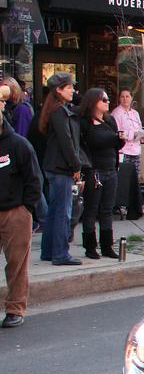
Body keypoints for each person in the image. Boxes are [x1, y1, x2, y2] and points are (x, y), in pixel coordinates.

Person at [0, 82, 43, 328]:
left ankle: (15, 309)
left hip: (15, 212)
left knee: (16, 265)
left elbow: (34, 180)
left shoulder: (18, 144)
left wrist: (26, 209)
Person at [39, 72, 83, 266]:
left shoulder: (56, 109)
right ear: (58, 90)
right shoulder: (59, 111)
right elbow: (66, 141)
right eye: (69, 87)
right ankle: (60, 254)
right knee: (62, 212)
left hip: (55, 167)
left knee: (54, 210)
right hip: (60, 168)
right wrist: (76, 165)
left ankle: (49, 251)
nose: (73, 90)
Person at [78, 88, 124, 260]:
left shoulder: (110, 121)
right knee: (92, 210)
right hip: (94, 171)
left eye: (107, 99)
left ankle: (107, 246)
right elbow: (89, 143)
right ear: (93, 102)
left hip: (110, 168)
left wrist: (120, 140)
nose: (107, 102)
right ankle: (90, 246)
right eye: (103, 100)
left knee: (107, 210)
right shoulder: (85, 123)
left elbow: (115, 145)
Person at [109, 88, 144, 220]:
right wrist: (131, 135)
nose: (125, 99)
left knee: (135, 178)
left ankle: (135, 204)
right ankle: (122, 205)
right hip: (124, 149)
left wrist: (142, 135)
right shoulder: (116, 113)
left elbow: (139, 128)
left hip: (135, 149)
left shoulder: (135, 113)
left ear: (131, 98)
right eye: (122, 96)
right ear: (119, 98)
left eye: (127, 96)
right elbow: (117, 132)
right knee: (123, 179)